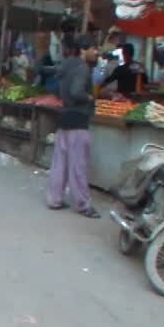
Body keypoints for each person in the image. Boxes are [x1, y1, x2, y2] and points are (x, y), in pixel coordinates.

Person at [46, 35, 100, 218]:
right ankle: (82, 204)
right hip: (78, 119)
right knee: (78, 165)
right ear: (83, 50)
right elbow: (77, 91)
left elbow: (58, 89)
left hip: (64, 117)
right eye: (93, 48)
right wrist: (89, 98)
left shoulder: (67, 65)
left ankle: (55, 199)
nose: (96, 52)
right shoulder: (82, 68)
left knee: (59, 163)